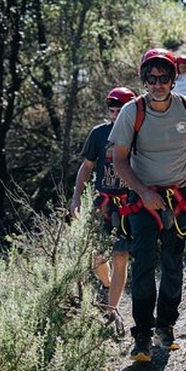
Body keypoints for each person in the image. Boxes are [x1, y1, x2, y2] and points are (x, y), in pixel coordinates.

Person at [109, 48, 186, 363]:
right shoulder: (133, 112)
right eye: (151, 78)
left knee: (173, 264)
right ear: (144, 79)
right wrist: (143, 192)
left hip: (179, 199)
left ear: (174, 79)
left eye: (163, 78)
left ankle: (166, 327)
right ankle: (142, 337)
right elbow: (119, 160)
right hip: (143, 201)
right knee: (144, 263)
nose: (157, 84)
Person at [70, 86, 136, 333]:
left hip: (129, 205)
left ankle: (112, 309)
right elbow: (86, 167)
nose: (116, 114)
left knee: (120, 256)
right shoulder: (99, 134)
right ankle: (108, 286)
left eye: (121, 110)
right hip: (103, 203)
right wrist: (76, 197)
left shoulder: (138, 134)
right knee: (97, 256)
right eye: (113, 110)